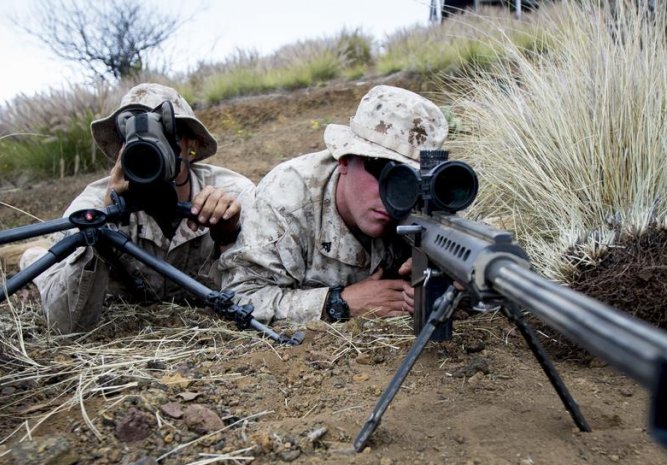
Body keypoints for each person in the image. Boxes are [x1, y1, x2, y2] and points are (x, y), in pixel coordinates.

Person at [19, 83, 253, 334]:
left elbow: (257, 290)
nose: (151, 147)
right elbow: (65, 325)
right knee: (45, 269)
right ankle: (33, 258)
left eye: (165, 134)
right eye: (133, 137)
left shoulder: (231, 193)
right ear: (122, 150)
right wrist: (101, 227)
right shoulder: (93, 205)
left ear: (190, 145)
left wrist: (228, 235)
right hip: (120, 291)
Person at [219, 85, 449, 326]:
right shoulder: (286, 198)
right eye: (381, 170)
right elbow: (240, 297)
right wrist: (339, 303)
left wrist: (450, 280)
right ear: (344, 160)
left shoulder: (425, 204)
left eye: (409, 181)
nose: (391, 195)